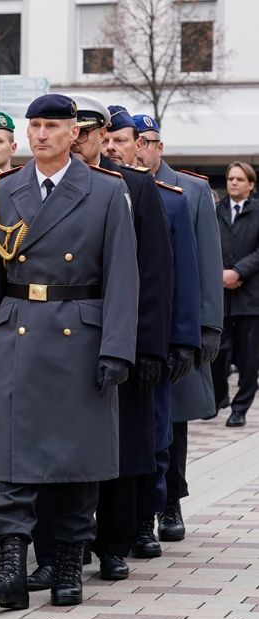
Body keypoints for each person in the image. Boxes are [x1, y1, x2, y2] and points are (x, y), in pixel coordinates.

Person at [0, 94, 139, 609]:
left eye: (52, 126)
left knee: (77, 462)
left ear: (73, 133)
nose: (42, 135)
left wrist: (117, 349)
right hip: (17, 330)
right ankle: (11, 571)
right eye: (35, 126)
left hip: (80, 336)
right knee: (12, 460)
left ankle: (66, 569)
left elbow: (123, 278)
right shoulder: (5, 190)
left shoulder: (105, 192)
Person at [27, 96, 175, 587]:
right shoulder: (40, 190)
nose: (92, 142)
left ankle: (114, 542)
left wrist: (147, 345)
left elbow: (150, 273)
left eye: (95, 133)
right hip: (64, 338)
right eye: (85, 133)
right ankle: (58, 550)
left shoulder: (130, 186)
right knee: (57, 447)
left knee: (120, 447)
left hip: (118, 337)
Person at [133, 114, 223, 543]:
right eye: (137, 141)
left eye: (149, 142)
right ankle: (143, 507)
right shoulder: (119, 186)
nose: (142, 149)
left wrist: (208, 326)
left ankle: (172, 501)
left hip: (179, 324)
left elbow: (205, 263)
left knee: (178, 420)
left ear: (159, 146)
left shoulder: (191, 189)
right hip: (141, 326)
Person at [212, 161, 259, 427]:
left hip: (249, 298)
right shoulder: (216, 211)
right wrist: (219, 273)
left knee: (248, 359)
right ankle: (220, 397)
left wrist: (237, 272)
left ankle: (240, 408)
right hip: (220, 296)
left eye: (240, 179)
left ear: (250, 185)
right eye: (230, 178)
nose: (233, 183)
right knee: (217, 354)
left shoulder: (257, 211)